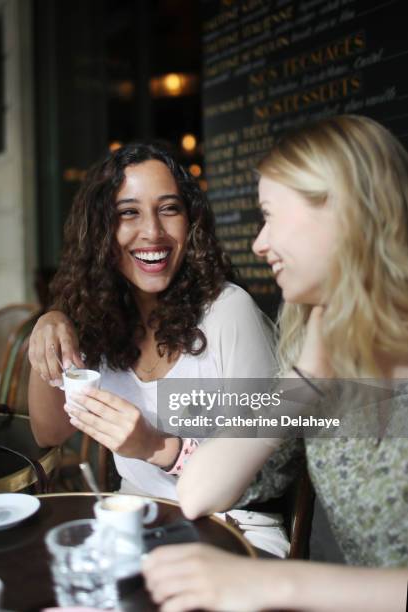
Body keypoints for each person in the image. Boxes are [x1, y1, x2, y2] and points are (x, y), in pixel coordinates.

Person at [143, 115, 408, 612]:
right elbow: (201, 491)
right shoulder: (321, 348)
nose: (258, 243)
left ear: (343, 211)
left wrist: (270, 584)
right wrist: (301, 381)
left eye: (270, 215)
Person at [28, 142, 301, 522]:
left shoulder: (228, 312)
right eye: (129, 213)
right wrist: (49, 324)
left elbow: (264, 472)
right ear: (100, 232)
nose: (153, 232)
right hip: (132, 517)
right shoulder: (97, 319)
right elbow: (49, 433)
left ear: (191, 220)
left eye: (169, 209)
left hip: (232, 525)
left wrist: (154, 447)